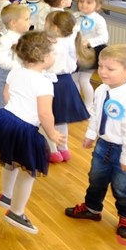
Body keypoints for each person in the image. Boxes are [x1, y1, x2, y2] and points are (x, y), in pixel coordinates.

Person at [64, 44, 126, 240]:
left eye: (110, 68)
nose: (102, 71)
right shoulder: (102, 89)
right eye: (101, 66)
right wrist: (91, 134)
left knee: (123, 187)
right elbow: (96, 112)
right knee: (96, 179)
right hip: (103, 145)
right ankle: (92, 208)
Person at [0, 31, 65, 235]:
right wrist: (52, 134)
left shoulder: (16, 71)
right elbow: (45, 114)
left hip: (4, 118)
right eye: (52, 53)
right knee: (28, 171)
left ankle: (6, 194)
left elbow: (6, 95)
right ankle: (16, 212)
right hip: (23, 128)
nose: (54, 56)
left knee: (10, 160)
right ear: (44, 58)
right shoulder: (44, 83)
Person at [44, 11, 90, 163]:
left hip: (50, 82)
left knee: (46, 118)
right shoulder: (73, 38)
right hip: (66, 82)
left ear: (55, 28)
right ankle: (63, 148)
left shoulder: (52, 44)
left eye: (46, 23)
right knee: (61, 119)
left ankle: (52, 151)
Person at [72, 0, 109, 113]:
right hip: (76, 51)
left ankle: (89, 104)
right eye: (81, 1)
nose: (84, 4)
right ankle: (76, 104)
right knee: (74, 79)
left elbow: (104, 37)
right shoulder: (75, 16)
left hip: (91, 53)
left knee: (84, 80)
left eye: (89, 2)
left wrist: (89, 42)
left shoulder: (99, 19)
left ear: (97, 6)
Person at [0, 4, 31, 110]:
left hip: (17, 74)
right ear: (13, 23)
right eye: (26, 19)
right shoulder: (6, 39)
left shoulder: (24, 37)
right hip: (3, 75)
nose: (30, 22)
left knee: (15, 102)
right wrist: (18, 66)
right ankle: (0, 119)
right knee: (4, 103)